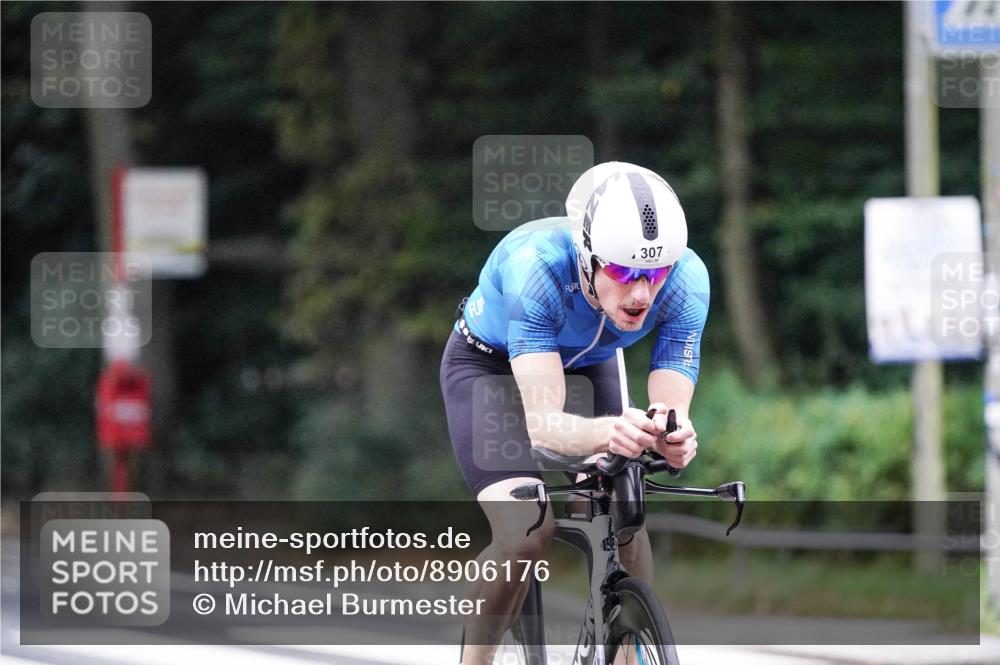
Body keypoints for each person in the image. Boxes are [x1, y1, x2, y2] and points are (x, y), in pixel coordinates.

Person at [440, 161, 709, 664]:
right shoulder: (535, 268)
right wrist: (614, 430)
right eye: (625, 271)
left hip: (589, 360)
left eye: (656, 272)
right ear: (586, 257)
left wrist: (672, 434)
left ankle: (628, 649)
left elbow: (668, 411)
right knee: (525, 530)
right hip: (488, 365)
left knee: (625, 506)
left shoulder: (688, 280)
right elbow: (545, 427)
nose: (642, 293)